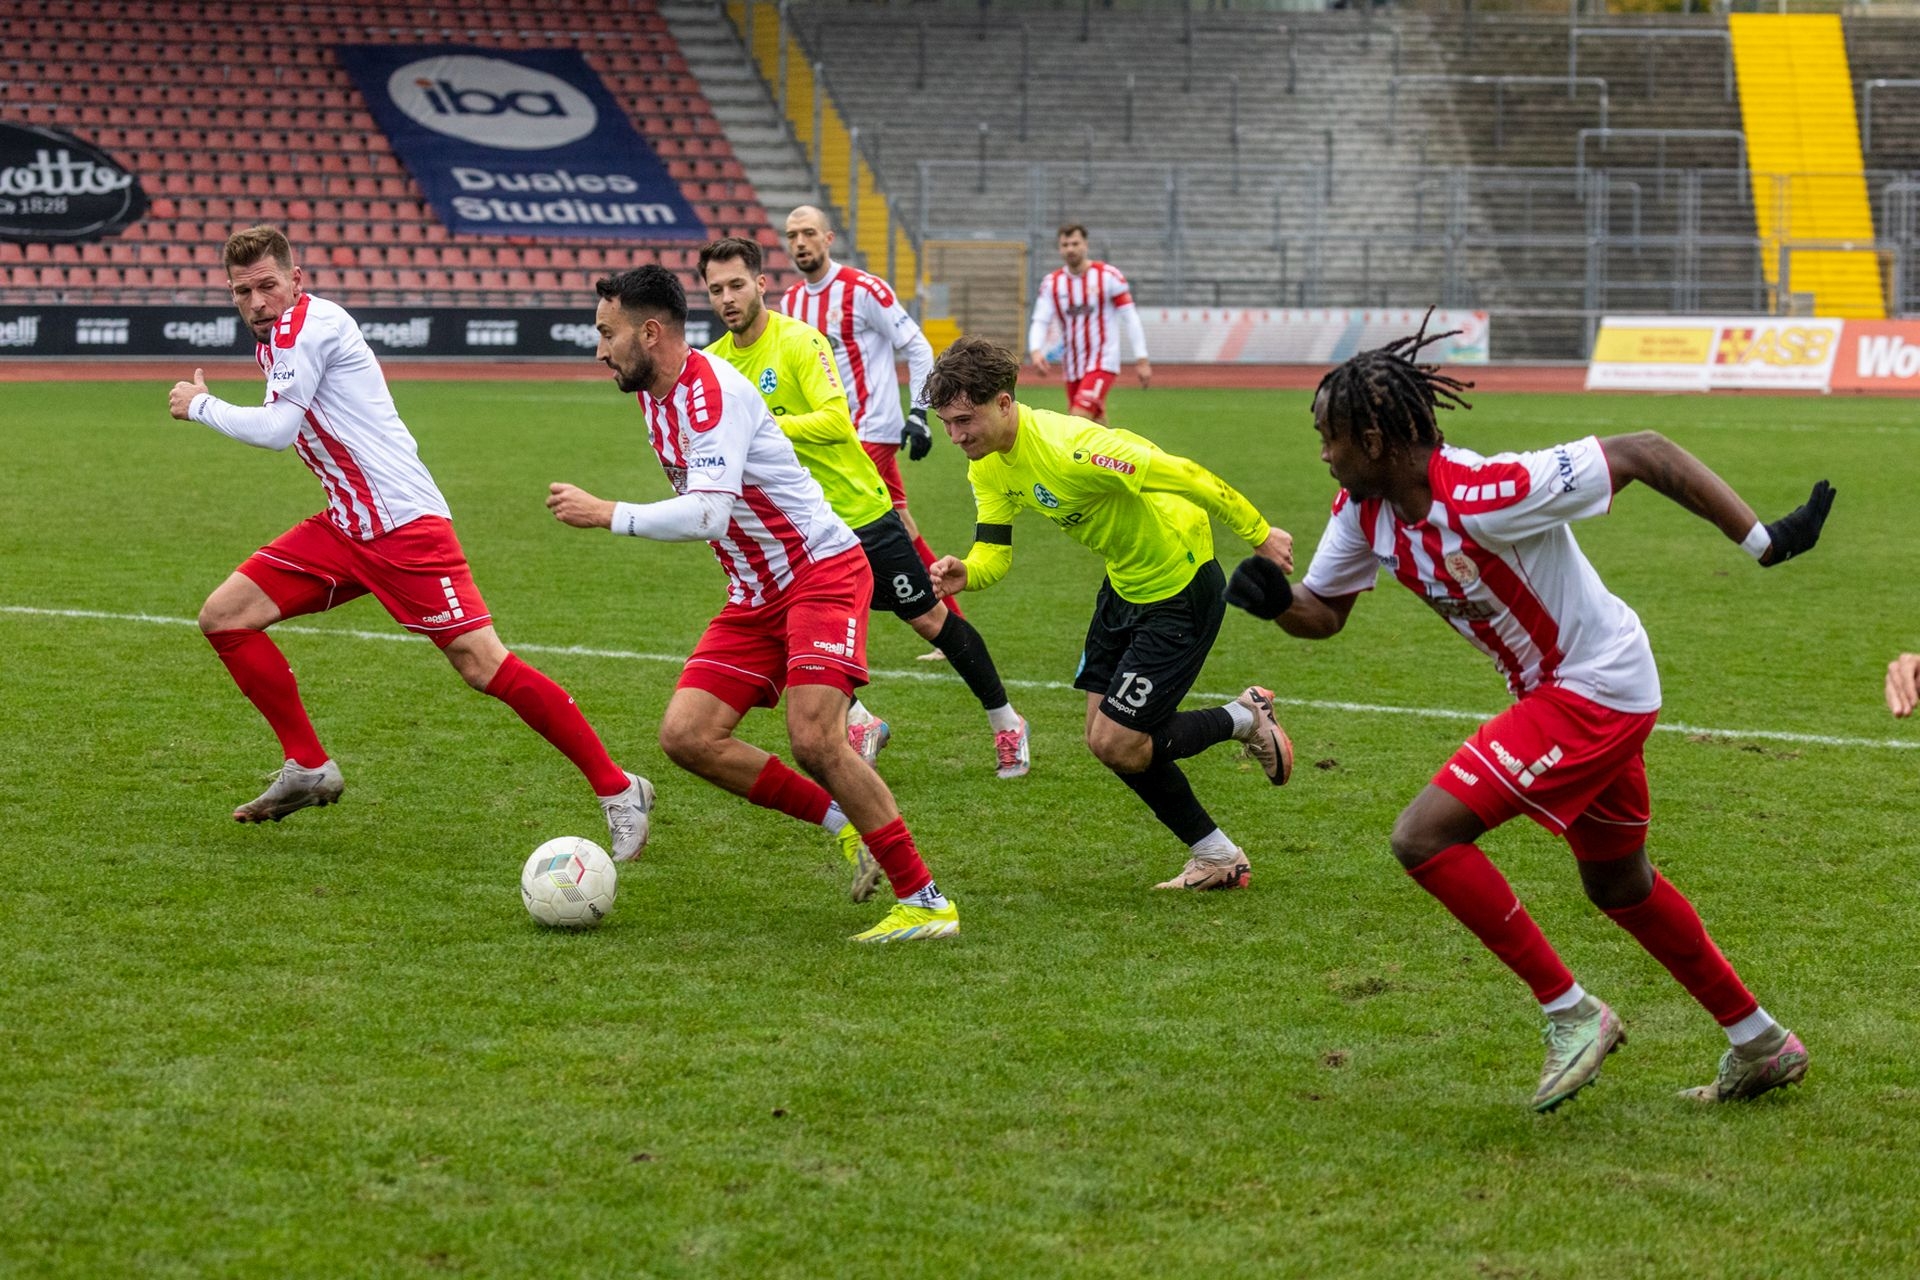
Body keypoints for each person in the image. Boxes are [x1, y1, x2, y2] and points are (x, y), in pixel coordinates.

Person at [1226, 319, 1833, 1110]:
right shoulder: (1362, 513)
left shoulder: (1489, 492)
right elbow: (1325, 612)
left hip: (1595, 687)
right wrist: (1277, 602)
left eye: (1328, 438)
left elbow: (1644, 450)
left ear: (1372, 441)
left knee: (1422, 836)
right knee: (1619, 884)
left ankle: (1572, 1013)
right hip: (1572, 693)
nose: (1323, 454)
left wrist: (1763, 541)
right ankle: (1761, 1042)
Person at [164, 225, 653, 858]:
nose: (257, 302)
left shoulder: (305, 328)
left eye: (267, 286)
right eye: (242, 291)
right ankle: (307, 765)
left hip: (402, 528)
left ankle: (619, 789)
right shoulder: (284, 335)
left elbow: (279, 430)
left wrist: (200, 405)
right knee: (225, 617)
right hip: (348, 524)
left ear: (295, 280)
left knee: (483, 665)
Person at [545, 264, 958, 942]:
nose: (599, 350)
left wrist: (607, 513)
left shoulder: (710, 393)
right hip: (755, 592)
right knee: (687, 736)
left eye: (607, 333)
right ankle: (844, 823)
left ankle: (926, 901)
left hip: (820, 571)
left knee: (815, 738)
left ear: (650, 333)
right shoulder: (654, 394)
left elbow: (709, 513)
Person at [923, 337, 1295, 891]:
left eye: (963, 421)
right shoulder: (989, 466)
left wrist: (1260, 534)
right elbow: (994, 552)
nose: (955, 436)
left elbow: (1187, 475)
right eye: (946, 424)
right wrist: (968, 572)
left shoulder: (1073, 446)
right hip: (1123, 586)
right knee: (1104, 740)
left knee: (1120, 742)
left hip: (1180, 588)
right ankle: (1217, 855)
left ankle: (1243, 720)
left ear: (1003, 403)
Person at [700, 235, 1031, 813]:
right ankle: (861, 722)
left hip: (858, 512)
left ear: (761, 284)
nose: (727, 298)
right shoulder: (714, 363)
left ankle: (1007, 721)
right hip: (793, 529)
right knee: (790, 629)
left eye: (736, 285)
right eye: (715, 289)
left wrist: (761, 428)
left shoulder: (800, 341)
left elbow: (836, 421)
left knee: (928, 619)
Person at [779, 205, 960, 664]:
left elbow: (917, 346)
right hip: (826, 434)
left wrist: (919, 412)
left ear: (828, 238)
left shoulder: (863, 289)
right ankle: (949, 628)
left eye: (808, 233)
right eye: (792, 235)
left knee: (832, 531)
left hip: (867, 430)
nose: (800, 242)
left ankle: (827, 631)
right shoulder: (792, 302)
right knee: (899, 525)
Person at [1026, 223, 1151, 425]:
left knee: (1076, 422)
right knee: (1096, 424)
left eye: (1075, 243)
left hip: (1103, 361)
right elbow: (1040, 320)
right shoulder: (1052, 283)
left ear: (1086, 244)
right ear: (1059, 249)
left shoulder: (1108, 276)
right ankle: (1113, 447)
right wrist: (1035, 350)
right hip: (1073, 365)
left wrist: (1142, 359)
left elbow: (1130, 317)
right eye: (1065, 245)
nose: (1070, 249)